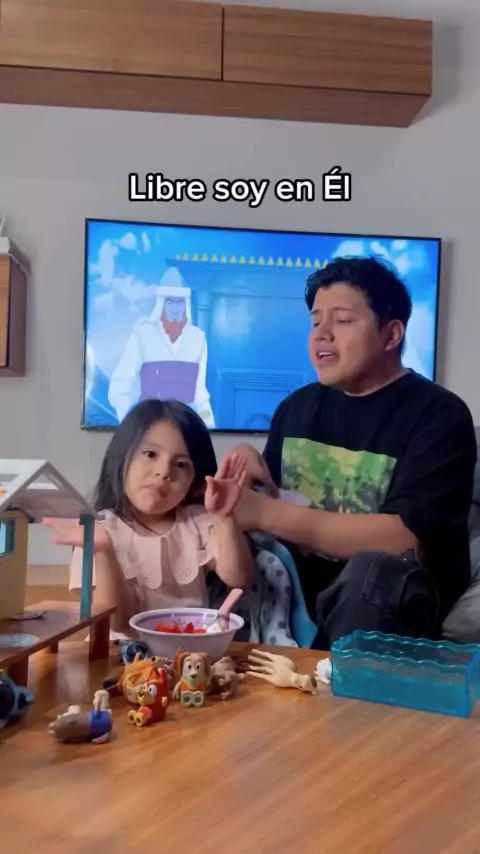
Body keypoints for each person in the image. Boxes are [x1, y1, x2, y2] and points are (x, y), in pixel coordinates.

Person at [225, 256, 476, 649]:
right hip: (293, 609)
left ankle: (341, 683)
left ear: (391, 334)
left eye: (342, 320)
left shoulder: (439, 415)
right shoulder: (296, 408)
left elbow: (402, 542)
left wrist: (264, 512)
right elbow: (270, 508)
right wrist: (245, 466)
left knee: (373, 572)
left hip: (388, 614)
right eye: (315, 322)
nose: (322, 335)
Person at [44, 399, 252, 634]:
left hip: (190, 651)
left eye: (180, 464)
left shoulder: (197, 521)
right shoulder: (98, 530)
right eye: (150, 454)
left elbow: (238, 578)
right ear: (122, 458)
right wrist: (103, 552)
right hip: (121, 653)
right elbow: (115, 623)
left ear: (195, 483)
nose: (163, 472)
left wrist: (225, 518)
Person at [108, 269, 215, 427]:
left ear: (185, 304)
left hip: (187, 428)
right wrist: (130, 426)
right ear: (162, 303)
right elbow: (121, 384)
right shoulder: (142, 335)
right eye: (170, 303)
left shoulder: (198, 339)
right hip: (149, 425)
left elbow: (200, 393)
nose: (175, 309)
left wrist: (210, 428)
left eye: (179, 303)